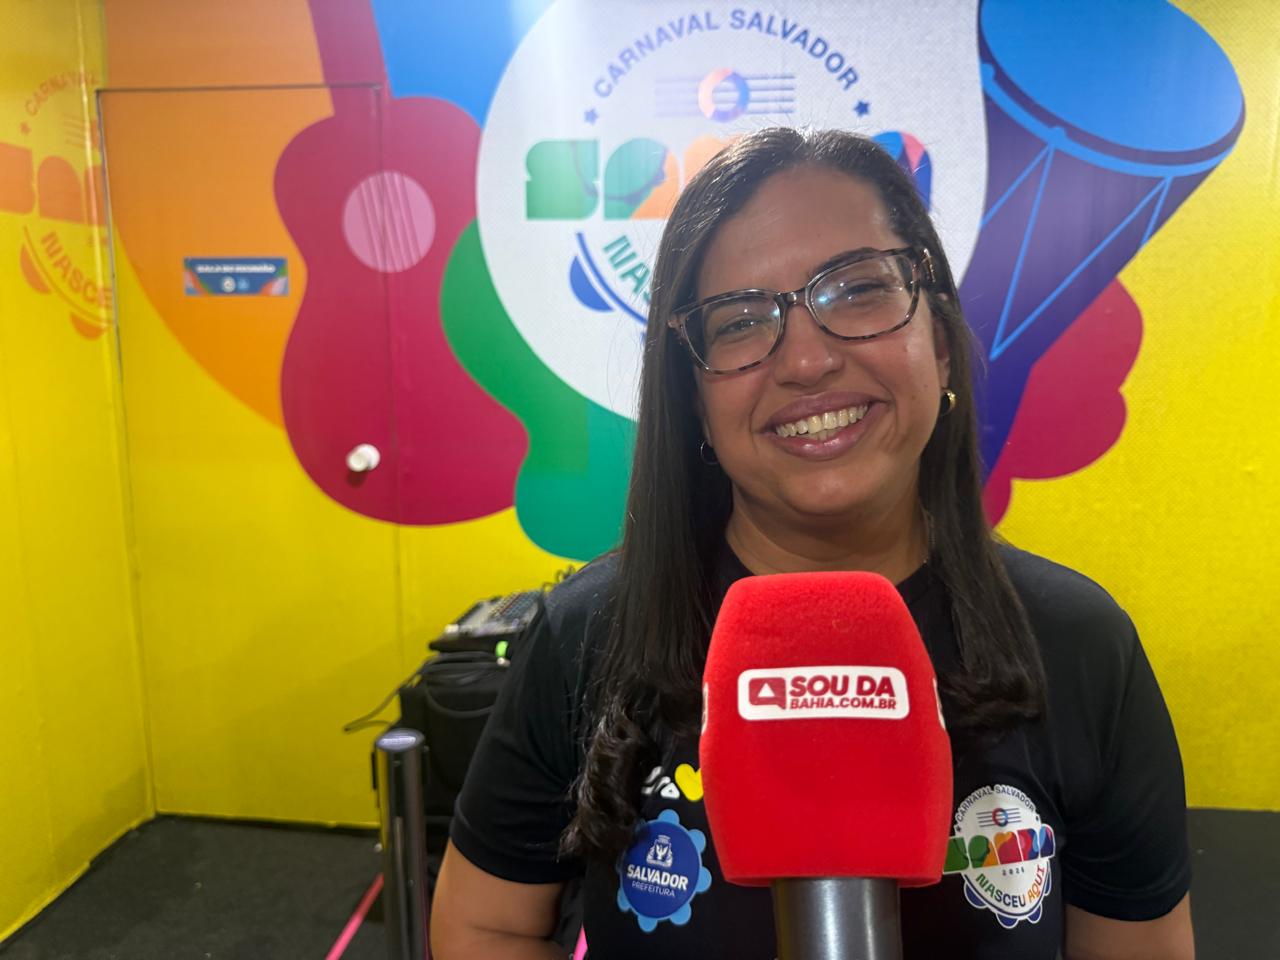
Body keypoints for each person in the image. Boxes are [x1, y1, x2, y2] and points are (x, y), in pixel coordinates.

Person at [429, 128, 1194, 959]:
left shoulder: (1080, 645)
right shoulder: (591, 634)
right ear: (693, 399)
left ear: (938, 341)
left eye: (856, 290)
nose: (804, 359)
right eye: (739, 320)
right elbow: (486, 923)